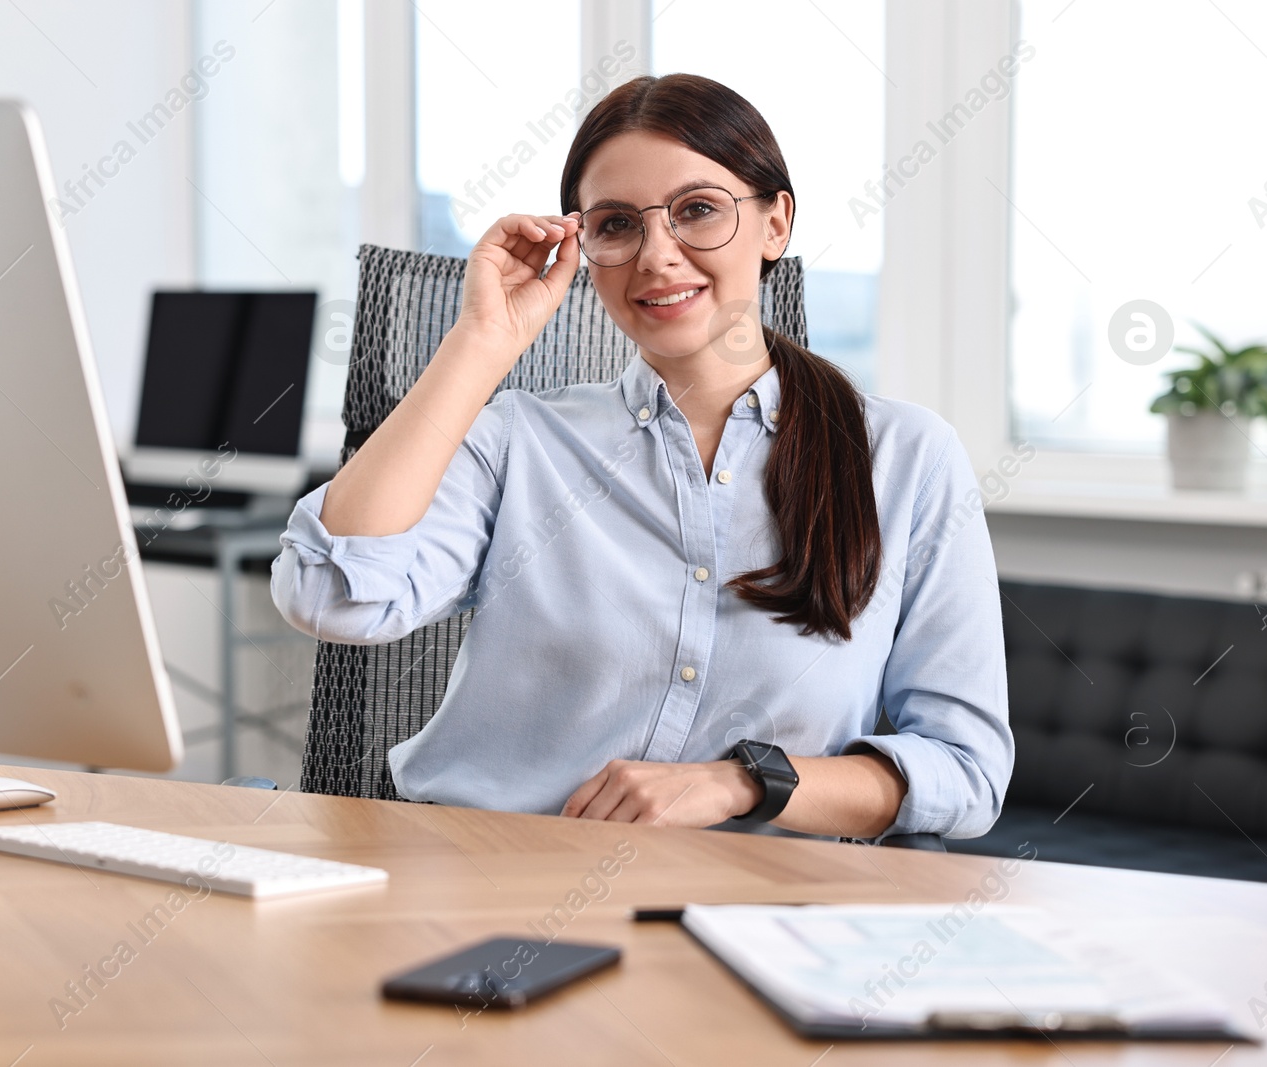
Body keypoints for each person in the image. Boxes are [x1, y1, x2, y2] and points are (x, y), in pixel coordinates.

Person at [272, 73, 1012, 841]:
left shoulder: (906, 459)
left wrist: (741, 781)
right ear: (584, 248)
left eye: (697, 210)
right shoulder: (521, 440)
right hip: (486, 869)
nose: (658, 256)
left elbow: (964, 769)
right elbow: (329, 595)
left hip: (748, 906)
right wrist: (480, 345)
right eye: (618, 224)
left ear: (774, 224)